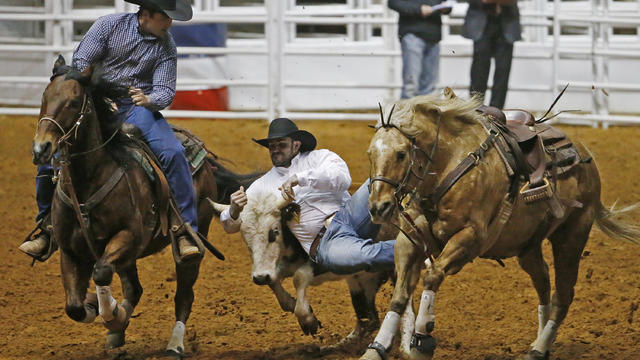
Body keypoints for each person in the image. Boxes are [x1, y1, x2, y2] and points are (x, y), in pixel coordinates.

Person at [19, 0, 200, 262]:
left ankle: (185, 229)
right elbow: (81, 62)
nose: (170, 23)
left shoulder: (166, 45)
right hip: (95, 102)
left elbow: (165, 90)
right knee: (51, 159)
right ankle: (47, 227)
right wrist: (100, 91)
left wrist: (149, 100)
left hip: (136, 107)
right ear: (147, 15)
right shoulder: (109, 26)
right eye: (166, 17)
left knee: (172, 152)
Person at [219, 118, 395, 274]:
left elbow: (343, 179)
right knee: (366, 255)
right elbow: (231, 226)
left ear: (296, 145)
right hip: (326, 241)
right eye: (272, 146)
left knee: (381, 180)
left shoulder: (320, 157)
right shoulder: (262, 186)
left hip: (351, 214)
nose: (275, 150)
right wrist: (233, 210)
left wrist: (300, 178)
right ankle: (413, 249)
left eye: (281, 144)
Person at [463, 0, 521, 109]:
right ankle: (475, 111)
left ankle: (496, 114)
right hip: (482, 23)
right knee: (479, 71)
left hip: (507, 23)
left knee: (503, 71)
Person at [389, 0, 452, 99]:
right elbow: (393, 2)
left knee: (430, 86)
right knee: (411, 85)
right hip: (412, 34)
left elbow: (448, 4)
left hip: (433, 36)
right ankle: (407, 113)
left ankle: (427, 113)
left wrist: (446, 7)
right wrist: (418, 9)